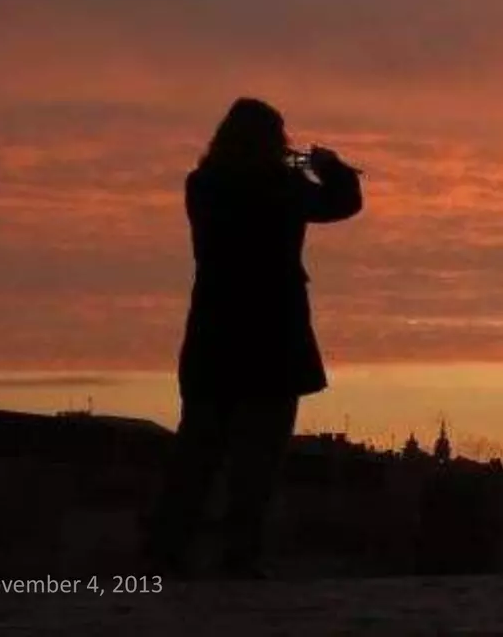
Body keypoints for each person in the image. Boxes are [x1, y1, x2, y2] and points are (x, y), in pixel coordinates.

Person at [143, 97, 363, 578]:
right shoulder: (284, 187)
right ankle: (240, 557)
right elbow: (344, 204)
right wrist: (331, 167)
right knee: (258, 459)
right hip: (273, 334)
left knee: (197, 453)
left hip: (214, 332)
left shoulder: (202, 184)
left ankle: (166, 553)